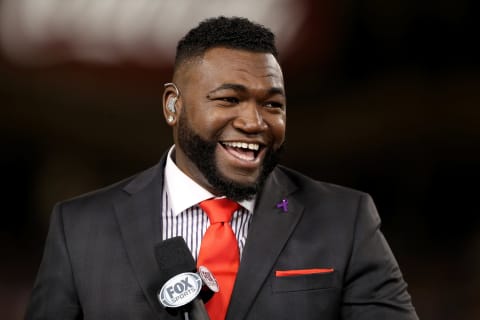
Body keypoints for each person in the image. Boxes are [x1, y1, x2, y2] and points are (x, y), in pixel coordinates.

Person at [25, 16, 418, 320]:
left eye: (273, 104)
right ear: (172, 106)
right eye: (229, 99)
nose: (254, 121)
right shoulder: (80, 228)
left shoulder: (344, 221)